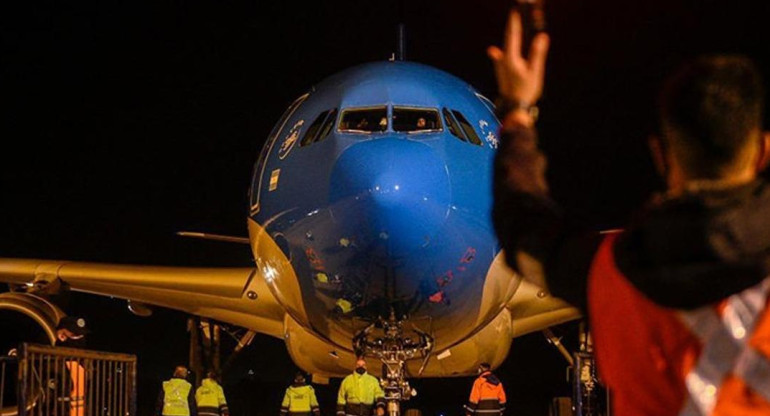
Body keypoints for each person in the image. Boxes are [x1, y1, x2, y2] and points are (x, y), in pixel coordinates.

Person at [488, 8, 770, 416]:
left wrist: (517, 111)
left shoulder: (609, 268)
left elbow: (523, 227)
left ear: (660, 155)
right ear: (762, 151)